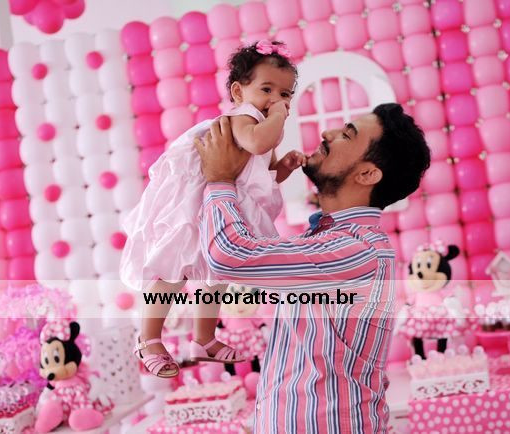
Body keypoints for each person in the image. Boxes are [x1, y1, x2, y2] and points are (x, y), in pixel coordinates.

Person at [194, 103, 431, 433]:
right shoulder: (326, 239)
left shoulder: (356, 249)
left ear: (367, 174)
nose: (327, 133)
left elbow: (229, 255)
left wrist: (220, 179)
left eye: (347, 135)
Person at [120, 40, 305, 378]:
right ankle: (148, 339)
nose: (277, 100)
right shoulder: (245, 117)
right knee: (173, 271)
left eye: (286, 94)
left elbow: (264, 178)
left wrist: (285, 168)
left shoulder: (267, 128)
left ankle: (204, 339)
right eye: (267, 90)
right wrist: (278, 115)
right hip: (197, 206)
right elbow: (256, 143)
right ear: (238, 92)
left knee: (215, 277)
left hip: (224, 207)